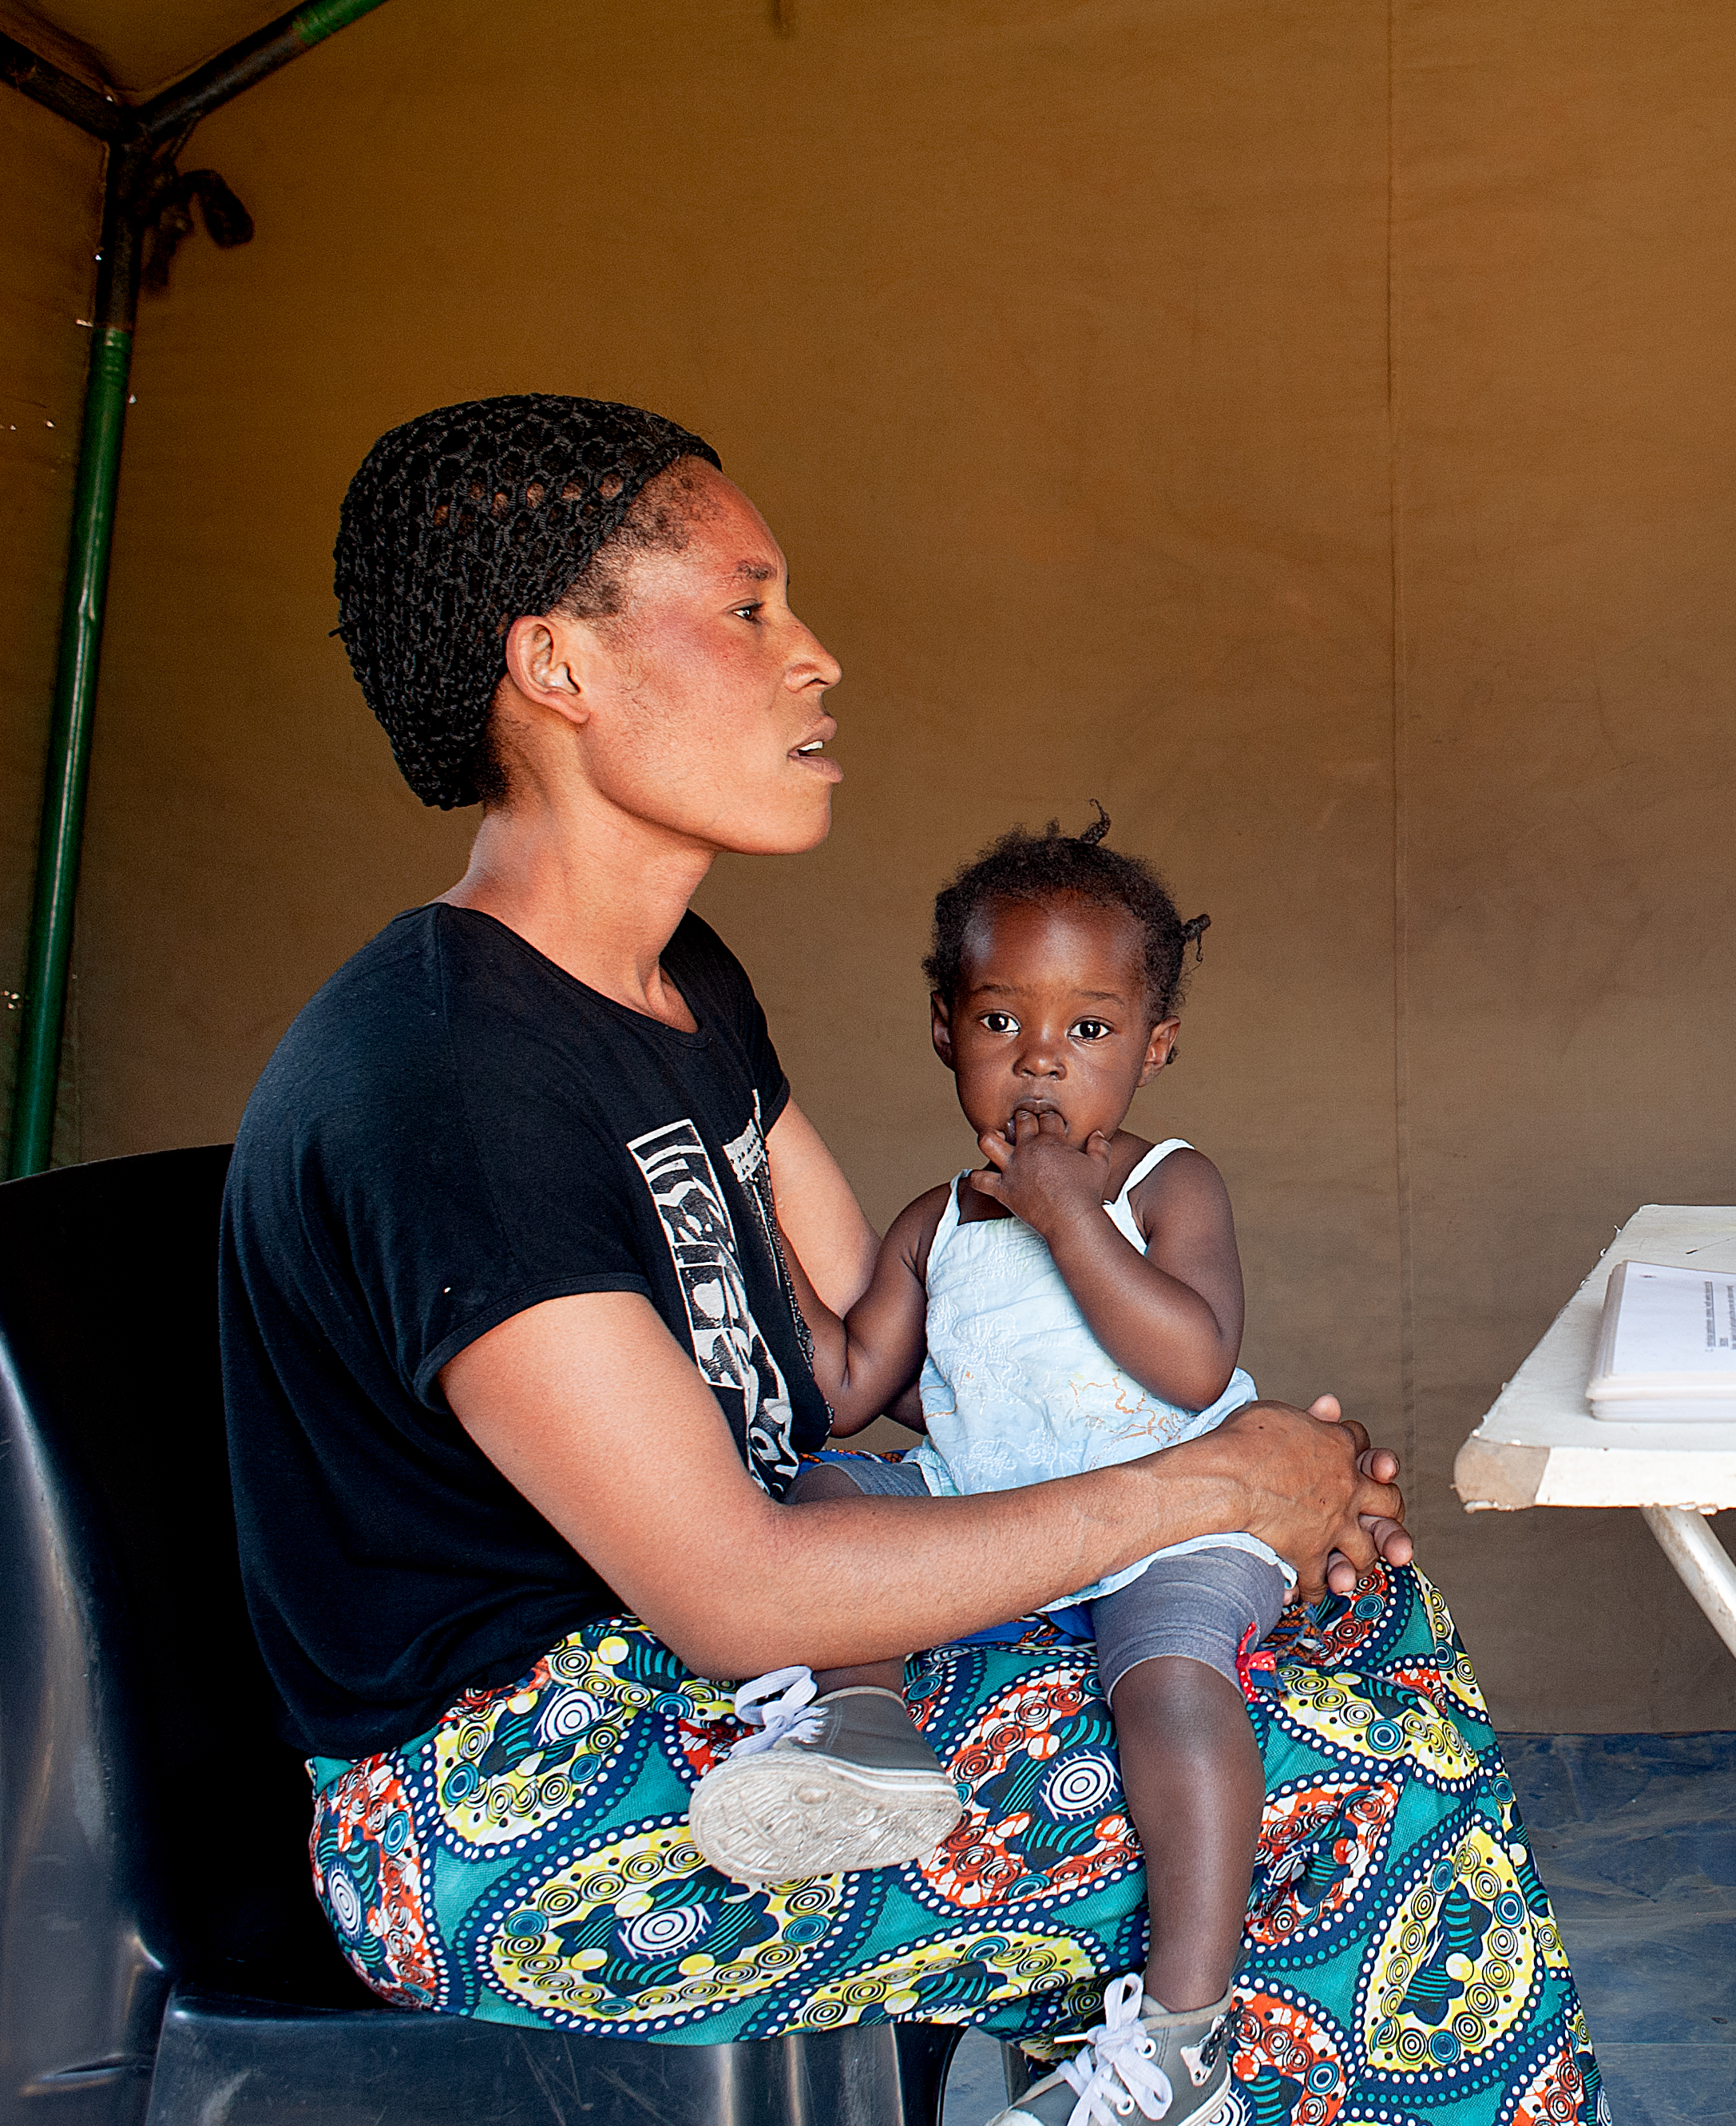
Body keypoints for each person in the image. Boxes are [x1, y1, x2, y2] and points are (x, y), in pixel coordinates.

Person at [221, 395, 1603, 2126]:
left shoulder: (674, 985)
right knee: (1346, 1783)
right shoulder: (450, 1079)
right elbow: (735, 1585)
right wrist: (1204, 1483)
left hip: (728, 1671)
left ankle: (1163, 2071)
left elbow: (849, 1346)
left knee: (1356, 1623)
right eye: (747, 605)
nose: (817, 658)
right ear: (556, 663)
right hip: (508, 1801)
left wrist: (1269, 1489)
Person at [695, 815, 1297, 2126]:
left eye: (1089, 1028)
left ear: (1156, 1044)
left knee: (1174, 1686)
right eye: (999, 1022)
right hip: (985, 1508)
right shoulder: (936, 1221)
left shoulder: (1167, 1186)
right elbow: (851, 1385)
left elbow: (1194, 1364)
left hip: (1172, 1516)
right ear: (943, 1029)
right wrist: (749, 1235)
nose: (1040, 1059)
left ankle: (1185, 2042)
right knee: (828, 1488)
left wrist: (1072, 1215)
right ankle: (859, 1724)